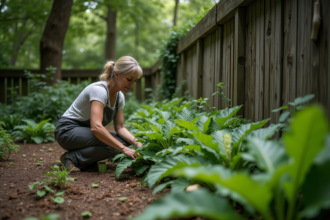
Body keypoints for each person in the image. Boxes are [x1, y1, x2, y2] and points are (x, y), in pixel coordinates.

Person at [55, 56, 143, 173]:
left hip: (84, 134)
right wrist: (123, 149)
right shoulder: (99, 90)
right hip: (67, 131)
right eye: (129, 79)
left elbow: (120, 128)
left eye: (135, 81)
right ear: (116, 74)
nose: (132, 84)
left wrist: (137, 143)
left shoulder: (119, 97)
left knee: (124, 142)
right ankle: (71, 158)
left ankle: (86, 160)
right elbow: (96, 127)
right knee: (118, 146)